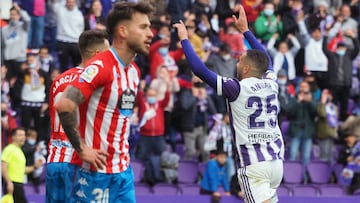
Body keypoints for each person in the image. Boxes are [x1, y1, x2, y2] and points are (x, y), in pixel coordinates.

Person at [174, 5, 284, 203]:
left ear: (247, 68)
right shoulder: (271, 82)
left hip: (253, 164)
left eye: (240, 61)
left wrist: (184, 39)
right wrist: (246, 31)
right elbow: (266, 59)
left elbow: (200, 70)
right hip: (275, 162)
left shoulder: (236, 89)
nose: (237, 63)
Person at [55, 2, 154, 202]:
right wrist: (81, 149)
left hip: (123, 172)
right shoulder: (101, 66)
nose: (151, 33)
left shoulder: (134, 72)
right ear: (123, 31)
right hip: (95, 173)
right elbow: (64, 104)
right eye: (143, 27)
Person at [46, 29, 110, 203]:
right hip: (79, 161)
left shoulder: (59, 79)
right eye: (107, 53)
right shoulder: (93, 82)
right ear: (97, 55)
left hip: (55, 159)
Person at [1, 128, 43, 203]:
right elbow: (3, 166)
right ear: (13, 137)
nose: (23, 137)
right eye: (20, 135)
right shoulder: (9, 149)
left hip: (19, 185)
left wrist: (35, 166)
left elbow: (22, 170)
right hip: (12, 184)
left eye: (24, 135)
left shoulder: (20, 151)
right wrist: (8, 182)